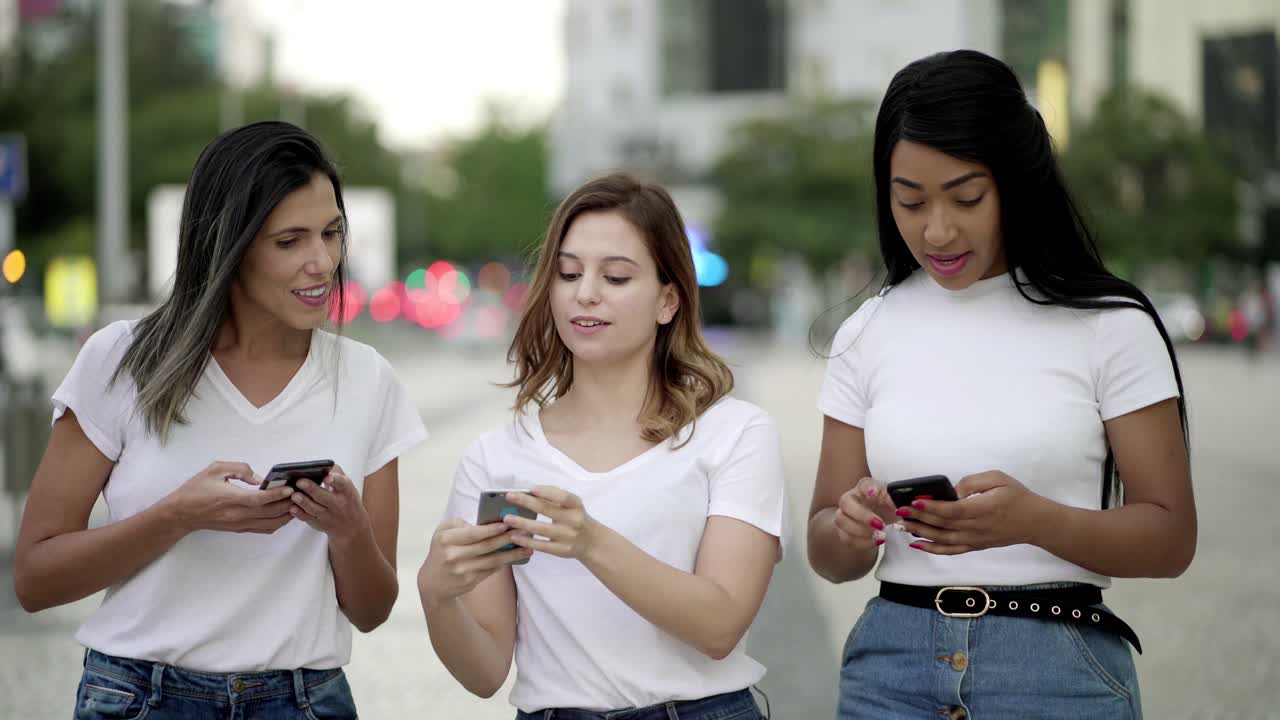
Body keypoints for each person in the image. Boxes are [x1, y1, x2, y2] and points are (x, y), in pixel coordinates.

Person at [807, 50, 1196, 720]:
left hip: (1056, 669)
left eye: (967, 198)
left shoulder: (1111, 326)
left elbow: (1171, 538)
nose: (937, 230)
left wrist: (1034, 522)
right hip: (890, 672)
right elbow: (826, 550)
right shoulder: (867, 332)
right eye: (910, 200)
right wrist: (849, 527)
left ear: (1016, 181)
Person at [14, 121, 427, 719]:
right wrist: (179, 516)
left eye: (332, 233)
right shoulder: (122, 360)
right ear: (228, 247)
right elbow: (34, 579)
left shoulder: (369, 380)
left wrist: (348, 530)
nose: (322, 262)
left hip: (304, 702)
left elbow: (371, 610)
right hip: (139, 698)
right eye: (289, 241)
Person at [417, 173, 785, 719]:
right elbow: (485, 672)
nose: (585, 292)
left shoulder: (735, 433)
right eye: (569, 273)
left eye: (615, 276)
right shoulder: (496, 457)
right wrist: (436, 593)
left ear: (667, 301)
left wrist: (590, 542)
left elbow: (720, 626)